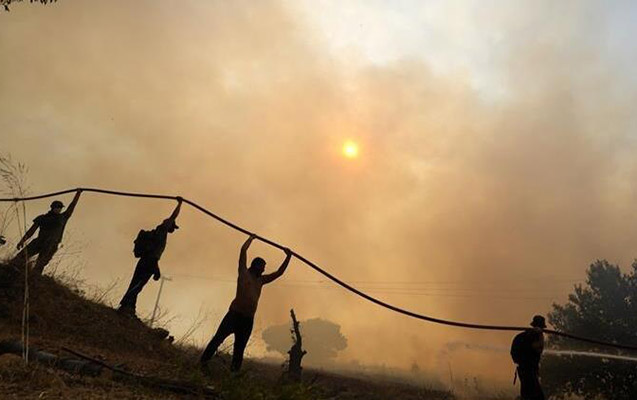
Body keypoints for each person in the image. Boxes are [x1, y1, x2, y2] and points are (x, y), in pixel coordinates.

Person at [200, 234, 292, 372]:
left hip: (247, 319)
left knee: (239, 349)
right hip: (234, 315)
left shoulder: (261, 280)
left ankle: (233, 374)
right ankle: (202, 363)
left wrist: (288, 256)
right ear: (256, 266)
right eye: (262, 267)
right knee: (218, 339)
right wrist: (250, 239)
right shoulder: (243, 273)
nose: (264, 270)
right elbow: (243, 251)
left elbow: (279, 273)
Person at [118, 197, 182, 317]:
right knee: (137, 285)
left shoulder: (160, 233)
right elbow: (173, 216)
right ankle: (125, 306)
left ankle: (130, 308)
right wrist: (180, 204)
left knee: (138, 284)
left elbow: (155, 256)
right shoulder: (162, 230)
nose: (174, 229)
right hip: (148, 262)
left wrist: (156, 270)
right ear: (169, 225)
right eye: (173, 226)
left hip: (148, 261)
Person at [11, 190, 82, 275]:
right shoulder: (42, 218)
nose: (59, 209)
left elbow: (72, 206)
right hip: (39, 241)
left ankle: (34, 278)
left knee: (40, 264)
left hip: (51, 244)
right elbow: (31, 231)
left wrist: (78, 194)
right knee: (20, 257)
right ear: (53, 207)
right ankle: (11, 270)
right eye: (57, 207)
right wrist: (22, 241)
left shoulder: (63, 217)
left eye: (60, 208)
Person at [511, 315, 546, 400]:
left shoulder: (526, 335)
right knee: (537, 397)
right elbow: (538, 348)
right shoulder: (533, 336)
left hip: (524, 370)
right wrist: (541, 335)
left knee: (527, 395)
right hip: (528, 371)